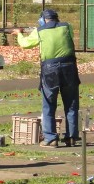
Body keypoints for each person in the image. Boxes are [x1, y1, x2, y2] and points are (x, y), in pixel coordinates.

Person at [13, 9, 80, 147]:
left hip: (50, 70)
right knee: (71, 105)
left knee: (48, 105)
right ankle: (71, 137)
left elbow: (25, 44)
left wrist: (19, 34)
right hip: (69, 68)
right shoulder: (67, 26)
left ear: (43, 20)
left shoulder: (39, 31)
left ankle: (50, 138)